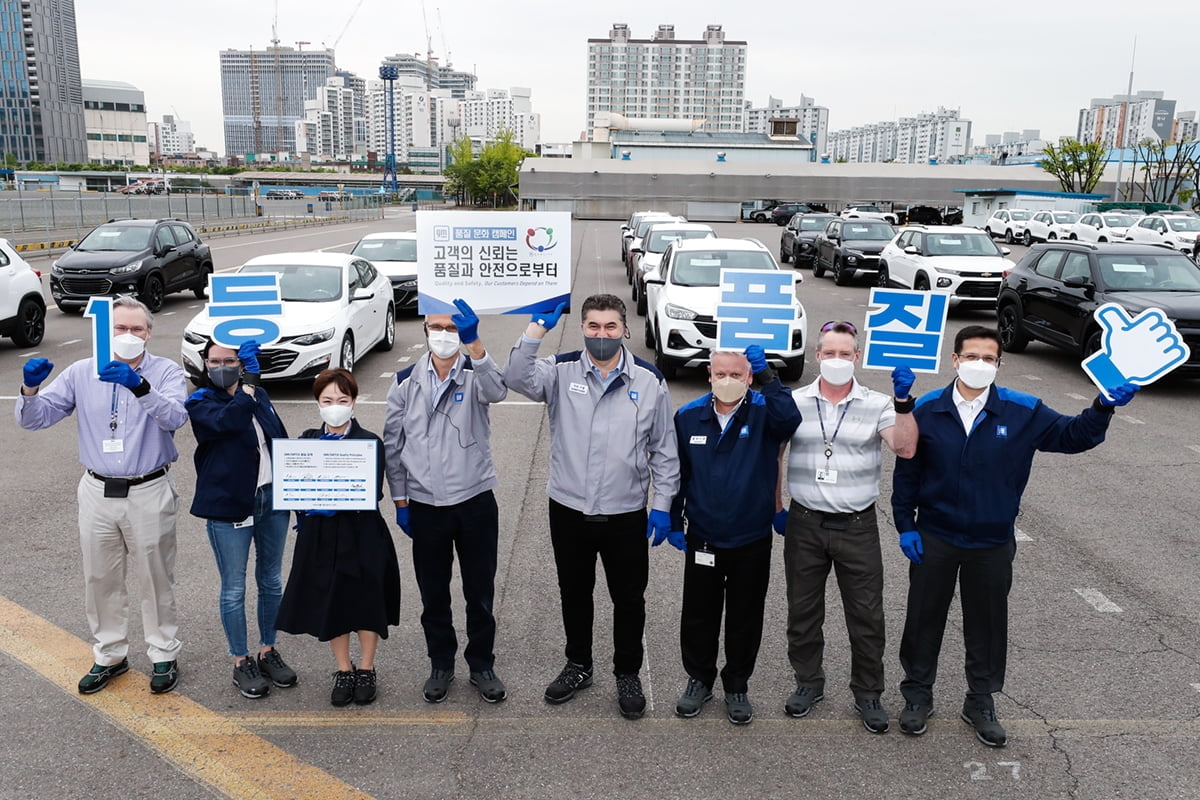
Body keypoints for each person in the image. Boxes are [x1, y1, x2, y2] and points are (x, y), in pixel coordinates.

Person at [892, 325, 1137, 747]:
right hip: (935, 536)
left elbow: (1072, 436)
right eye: (972, 356)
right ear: (955, 360)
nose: (980, 365)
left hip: (991, 540)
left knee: (987, 623)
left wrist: (1102, 407)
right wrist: (905, 525)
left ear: (999, 365)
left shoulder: (1023, 410)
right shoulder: (928, 409)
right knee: (923, 618)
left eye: (989, 359)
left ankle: (980, 700)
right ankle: (917, 694)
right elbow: (907, 471)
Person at [504, 293, 680, 720]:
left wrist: (662, 505)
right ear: (583, 328)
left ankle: (627, 672)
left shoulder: (649, 380)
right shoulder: (560, 370)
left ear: (625, 330)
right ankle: (579, 664)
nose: (602, 335)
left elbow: (664, 451)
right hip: (569, 508)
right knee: (575, 592)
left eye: (610, 327)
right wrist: (535, 331)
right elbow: (515, 376)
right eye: (594, 327)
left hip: (625, 513)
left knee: (629, 598)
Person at [15, 295, 187, 694]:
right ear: (106, 332)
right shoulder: (82, 371)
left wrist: (141, 387)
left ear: (149, 334)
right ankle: (110, 654)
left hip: (148, 487)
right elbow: (37, 418)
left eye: (137, 329)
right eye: (121, 328)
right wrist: (29, 387)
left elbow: (176, 417)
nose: (129, 335)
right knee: (101, 577)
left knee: (156, 575)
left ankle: (163, 653)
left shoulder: (164, 372)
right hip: (96, 489)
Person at [778, 321, 917, 734]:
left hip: (857, 524)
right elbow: (775, 453)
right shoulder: (795, 401)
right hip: (804, 522)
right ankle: (808, 682)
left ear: (857, 357)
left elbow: (906, 447)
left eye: (846, 353)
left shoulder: (878, 403)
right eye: (830, 353)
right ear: (817, 355)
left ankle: (868, 692)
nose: (837, 360)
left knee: (867, 614)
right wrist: (776, 505)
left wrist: (905, 400)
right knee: (802, 611)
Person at [384, 299, 509, 704]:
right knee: (433, 592)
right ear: (423, 329)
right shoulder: (405, 380)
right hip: (425, 504)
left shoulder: (476, 373)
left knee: (480, 590)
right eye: (435, 326)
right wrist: (401, 502)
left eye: (450, 328)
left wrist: (476, 345)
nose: (442, 335)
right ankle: (441, 662)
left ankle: (481, 663)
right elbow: (393, 444)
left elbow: (499, 392)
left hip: (473, 500)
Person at [670, 346, 801, 725]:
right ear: (709, 375)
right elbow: (680, 475)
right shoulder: (689, 416)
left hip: (751, 538)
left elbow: (789, 420)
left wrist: (770, 378)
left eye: (737, 375)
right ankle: (699, 679)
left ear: (748, 378)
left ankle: (737, 684)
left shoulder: (764, 411)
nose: (728, 381)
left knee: (745, 615)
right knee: (699, 614)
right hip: (704, 538)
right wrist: (676, 521)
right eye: (721, 374)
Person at [275, 368, 402, 707]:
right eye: (327, 400)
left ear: (354, 402)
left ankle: (367, 668)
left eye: (342, 400)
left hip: (362, 532)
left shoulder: (370, 442)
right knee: (331, 600)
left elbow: (371, 489)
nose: (335, 406)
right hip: (320, 535)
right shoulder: (305, 441)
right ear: (318, 404)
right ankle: (343, 669)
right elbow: (295, 488)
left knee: (367, 598)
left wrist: (335, 480)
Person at [186, 339, 297, 699]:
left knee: (271, 580)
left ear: (241, 362)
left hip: (270, 499)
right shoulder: (200, 401)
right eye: (214, 360)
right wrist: (248, 384)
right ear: (205, 363)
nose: (221, 366)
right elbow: (229, 422)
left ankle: (268, 649)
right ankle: (240, 659)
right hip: (230, 506)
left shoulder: (259, 397)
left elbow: (279, 441)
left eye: (230, 360)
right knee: (234, 587)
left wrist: (299, 496)